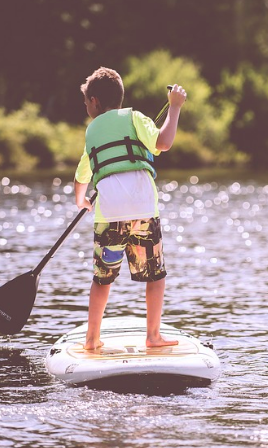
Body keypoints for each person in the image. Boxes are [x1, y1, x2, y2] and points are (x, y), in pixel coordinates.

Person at [73, 67, 186, 350]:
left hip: (109, 214)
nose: (86, 107)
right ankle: (153, 336)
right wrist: (174, 108)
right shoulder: (135, 118)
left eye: (86, 101)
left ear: (95, 102)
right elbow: (164, 142)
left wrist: (81, 200)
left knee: (102, 279)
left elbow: (82, 175)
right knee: (155, 275)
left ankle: (91, 339)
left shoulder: (91, 131)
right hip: (144, 211)